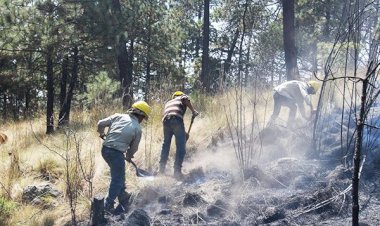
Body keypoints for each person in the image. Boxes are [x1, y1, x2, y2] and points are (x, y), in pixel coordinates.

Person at [97, 101, 151, 214]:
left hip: (105, 150)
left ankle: (123, 197)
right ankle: (108, 206)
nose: (142, 121)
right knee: (117, 179)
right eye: (143, 118)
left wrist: (102, 134)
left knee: (119, 175)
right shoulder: (137, 128)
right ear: (141, 115)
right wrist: (129, 155)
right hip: (116, 153)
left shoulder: (118, 116)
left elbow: (100, 123)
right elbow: (134, 147)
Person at [159, 91, 199, 180]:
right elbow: (185, 99)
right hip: (176, 119)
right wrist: (193, 111)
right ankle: (177, 172)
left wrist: (183, 134)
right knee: (181, 147)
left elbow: (173, 125)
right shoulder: (180, 97)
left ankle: (161, 170)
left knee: (165, 145)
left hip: (166, 121)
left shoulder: (168, 102)